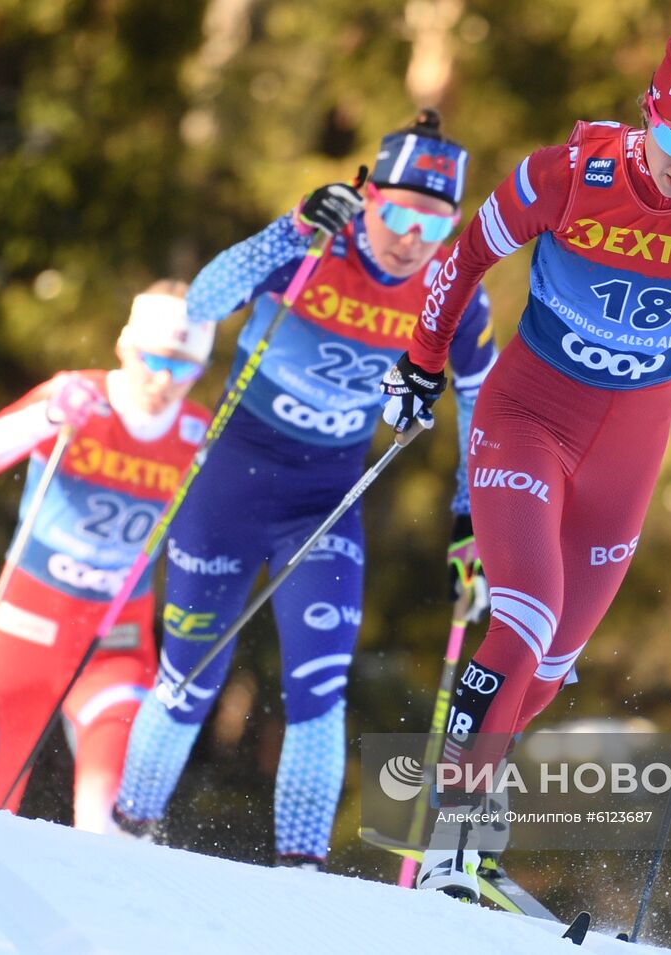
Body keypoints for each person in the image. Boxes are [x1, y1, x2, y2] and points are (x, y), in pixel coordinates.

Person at [378, 28, 671, 898]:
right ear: (649, 114)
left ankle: (473, 831)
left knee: (548, 666)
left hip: (631, 442)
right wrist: (421, 361)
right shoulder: (570, 171)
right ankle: (450, 835)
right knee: (523, 613)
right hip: (528, 412)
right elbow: (466, 255)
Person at [111, 110, 496, 868]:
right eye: (398, 213)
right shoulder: (319, 242)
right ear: (368, 196)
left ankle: (301, 875)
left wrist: (470, 518)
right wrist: (286, 230)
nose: (413, 238)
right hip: (231, 486)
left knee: (320, 686)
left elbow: (481, 406)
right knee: (188, 679)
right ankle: (126, 836)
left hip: (324, 503)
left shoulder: (455, 290)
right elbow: (202, 302)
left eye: (436, 222)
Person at [0, 281, 214, 832]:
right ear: (124, 345)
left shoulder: (198, 433)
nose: (164, 380)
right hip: (20, 640)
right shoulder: (77, 395)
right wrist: (44, 418)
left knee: (108, 826)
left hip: (113, 645)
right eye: (154, 358)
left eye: (184, 367)